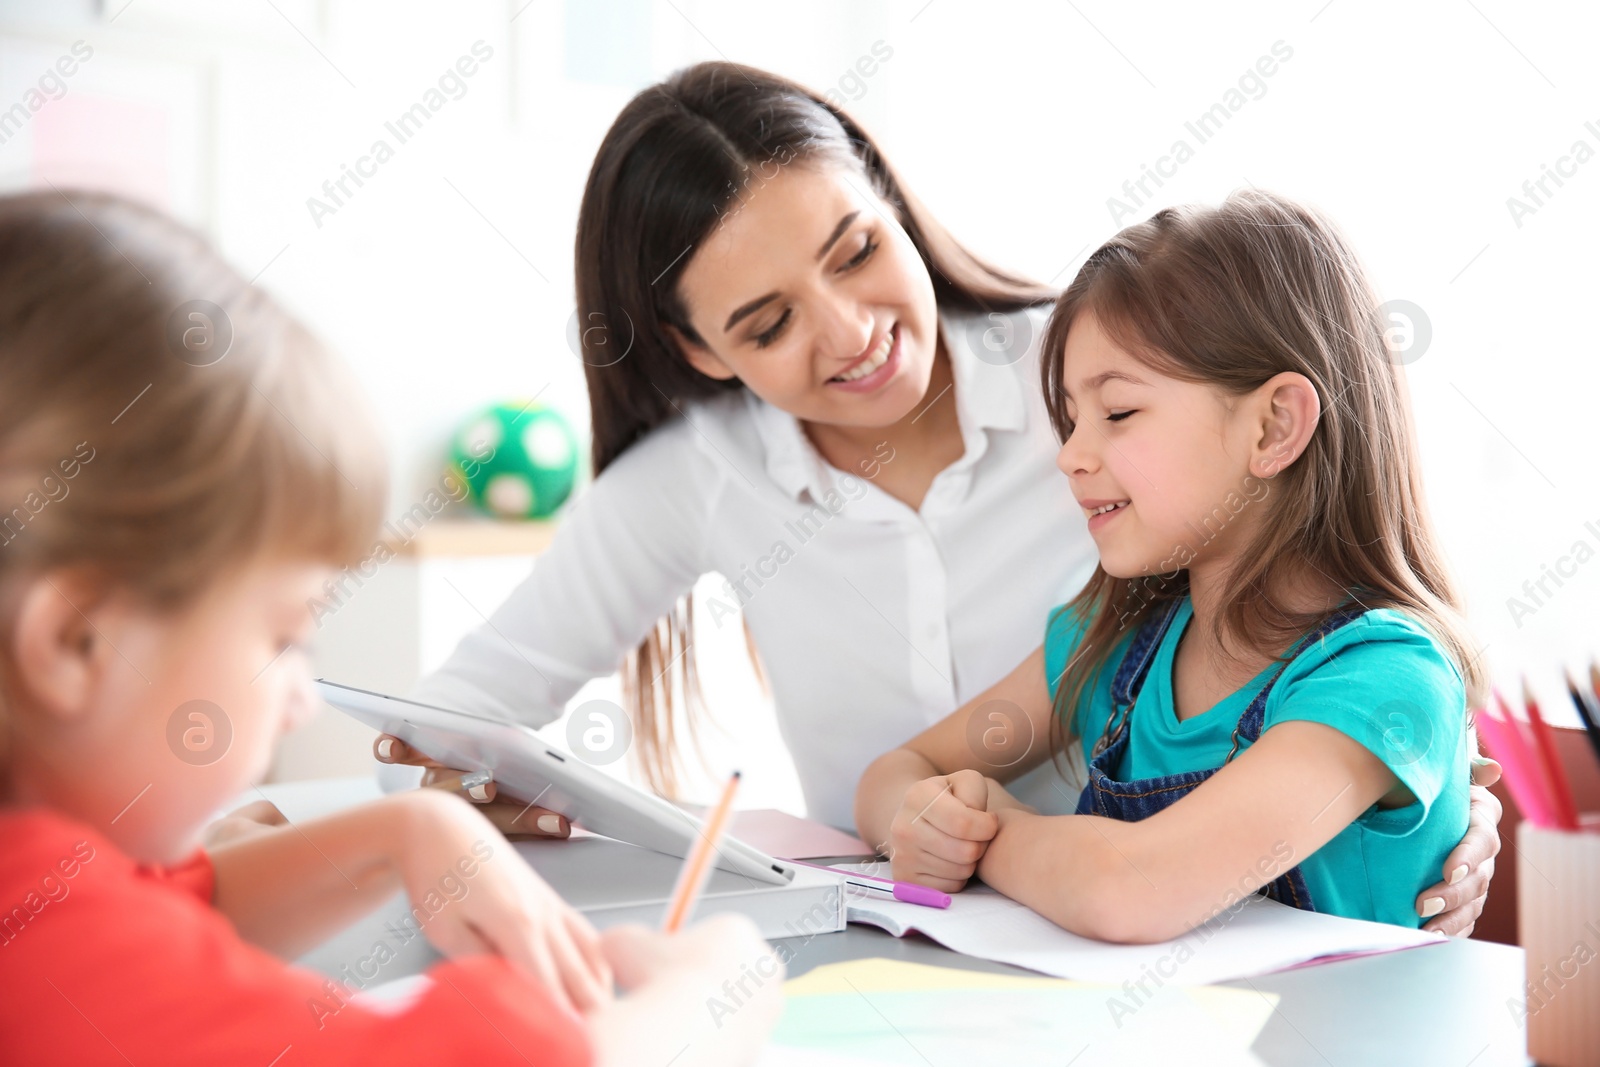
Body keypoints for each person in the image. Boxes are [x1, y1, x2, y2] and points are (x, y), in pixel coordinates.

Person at [374, 61, 1500, 935]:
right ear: (696, 349)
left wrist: (1447, 795)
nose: (851, 332)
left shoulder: (1107, 362)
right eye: (765, 324)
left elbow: (1355, 604)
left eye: (856, 250)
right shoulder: (702, 479)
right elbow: (455, 718)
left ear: (890, 200)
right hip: (940, 949)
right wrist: (452, 792)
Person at [0, 191, 781, 1066]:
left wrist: (409, 832)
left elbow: (180, 910)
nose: (299, 701)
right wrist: (707, 1006)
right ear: (75, 641)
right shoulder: (63, 953)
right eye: (283, 635)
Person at [856, 192, 1487, 940]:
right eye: (1070, 417)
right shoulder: (1113, 639)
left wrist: (989, 828)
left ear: (1274, 425)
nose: (1070, 455)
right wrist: (922, 822)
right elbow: (893, 773)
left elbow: (1129, 891)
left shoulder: (1386, 679)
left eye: (1117, 412)